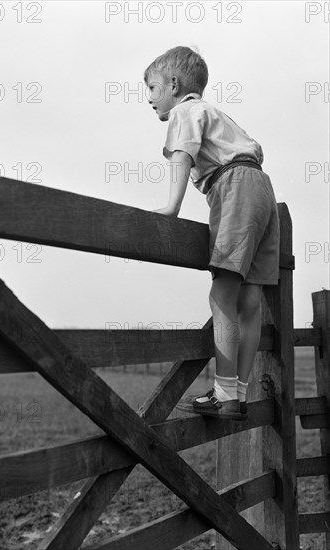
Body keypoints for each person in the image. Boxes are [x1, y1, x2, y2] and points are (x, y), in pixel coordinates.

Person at [144, 46, 280, 420]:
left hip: (234, 186)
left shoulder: (186, 110)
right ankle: (238, 393)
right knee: (249, 302)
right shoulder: (218, 115)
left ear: (174, 85)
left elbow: (183, 154)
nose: (149, 99)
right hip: (263, 190)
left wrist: (171, 207)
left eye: (152, 89)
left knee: (222, 295)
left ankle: (223, 394)